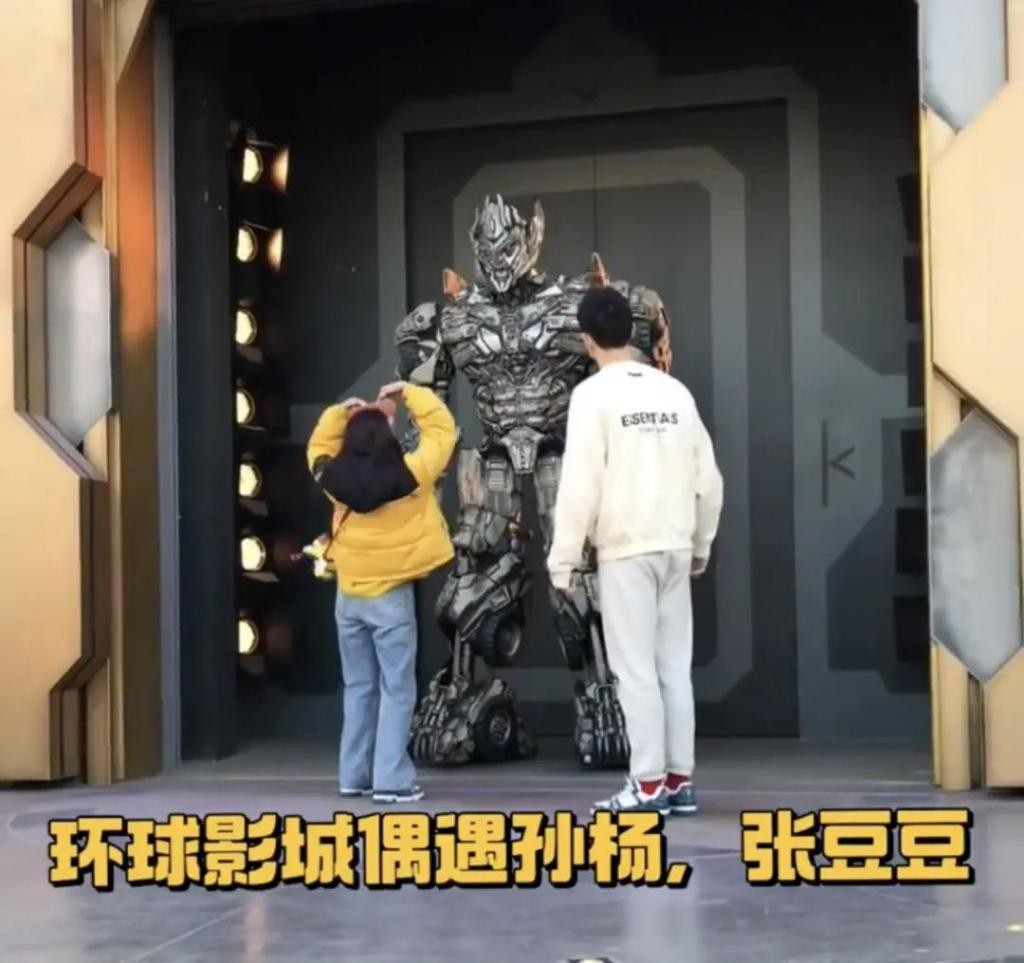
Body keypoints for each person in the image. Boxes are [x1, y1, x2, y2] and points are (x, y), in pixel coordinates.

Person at [547, 286, 724, 816]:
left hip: (626, 550)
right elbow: (709, 481)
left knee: (635, 672)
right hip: (675, 546)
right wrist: (701, 543)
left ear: (587, 340)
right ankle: (679, 780)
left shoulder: (592, 396)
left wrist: (563, 559)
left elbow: (579, 484)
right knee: (673, 669)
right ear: (632, 332)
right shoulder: (675, 392)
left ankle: (647, 786)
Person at [307, 381, 457, 804]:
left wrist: (340, 412)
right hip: (390, 598)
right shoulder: (412, 475)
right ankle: (391, 780)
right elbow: (443, 430)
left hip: (349, 597)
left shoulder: (332, 478)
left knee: (358, 687)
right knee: (397, 689)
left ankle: (352, 775)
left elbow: (318, 446)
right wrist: (409, 392)